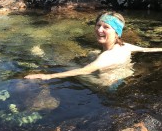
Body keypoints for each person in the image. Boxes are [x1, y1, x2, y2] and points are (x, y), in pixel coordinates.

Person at [25, 11, 162, 81]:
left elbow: (85, 71)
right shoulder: (124, 45)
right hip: (120, 77)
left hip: (106, 86)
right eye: (98, 25)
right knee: (91, 53)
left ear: (117, 33)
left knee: (69, 65)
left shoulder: (108, 56)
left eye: (106, 27)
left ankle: (41, 55)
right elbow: (146, 49)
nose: (99, 30)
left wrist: (47, 76)